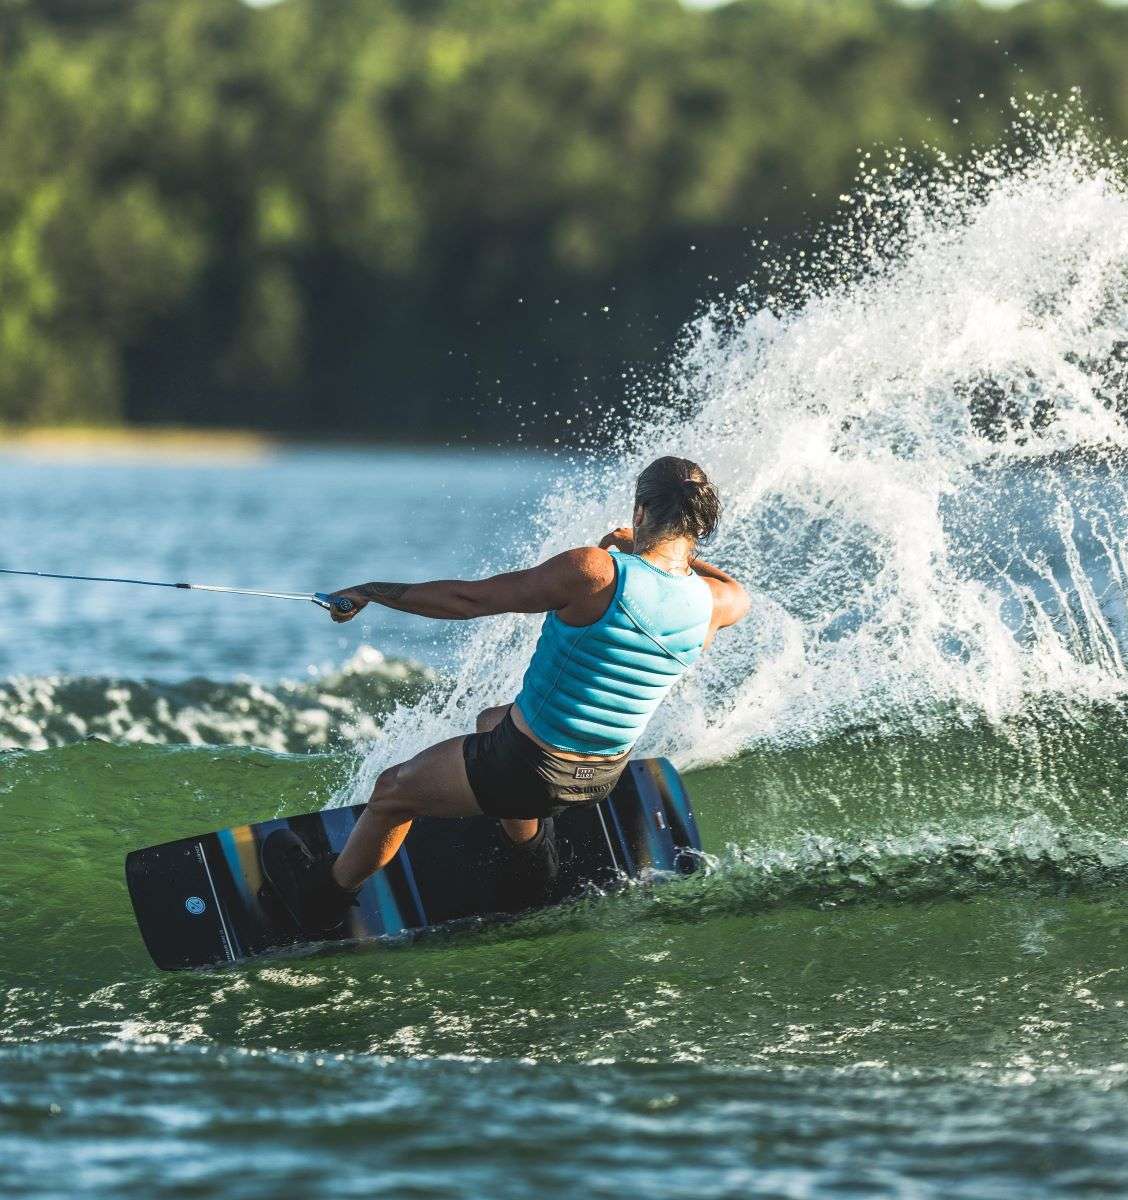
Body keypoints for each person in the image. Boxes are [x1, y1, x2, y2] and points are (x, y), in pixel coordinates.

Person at [261, 455, 749, 934]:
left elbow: (469, 600)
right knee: (493, 720)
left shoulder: (598, 571)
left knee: (391, 793)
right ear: (697, 527)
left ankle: (321, 897)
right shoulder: (716, 603)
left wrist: (372, 590)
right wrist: (679, 553)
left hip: (532, 769)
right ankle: (532, 862)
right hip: (603, 774)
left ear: (639, 512)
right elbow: (732, 585)